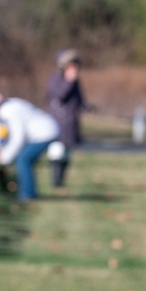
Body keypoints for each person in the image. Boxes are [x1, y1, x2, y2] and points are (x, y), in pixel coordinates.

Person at [0, 91, 60, 202]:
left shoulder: (9, 111)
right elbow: (5, 134)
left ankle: (27, 195)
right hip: (42, 132)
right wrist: (1, 148)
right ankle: (29, 192)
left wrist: (3, 158)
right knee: (25, 160)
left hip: (44, 133)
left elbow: (17, 138)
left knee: (23, 160)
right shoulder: (10, 106)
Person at [46, 49, 89, 188]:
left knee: (67, 153)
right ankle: (56, 180)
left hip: (70, 121)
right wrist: (69, 82)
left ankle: (61, 180)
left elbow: (78, 99)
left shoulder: (75, 81)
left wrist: (86, 106)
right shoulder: (56, 79)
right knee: (57, 150)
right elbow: (59, 95)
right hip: (58, 120)